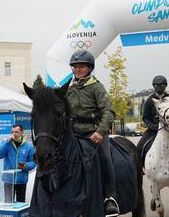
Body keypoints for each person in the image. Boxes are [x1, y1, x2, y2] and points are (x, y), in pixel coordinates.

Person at [65, 50, 119, 216]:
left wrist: (100, 132)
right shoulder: (68, 87)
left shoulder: (96, 87)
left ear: (89, 68)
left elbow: (109, 111)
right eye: (75, 67)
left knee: (104, 158)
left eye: (82, 66)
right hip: (73, 134)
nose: (78, 69)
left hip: (94, 134)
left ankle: (110, 197)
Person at [0, 124, 36, 203]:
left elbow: (33, 162)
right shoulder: (6, 143)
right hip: (8, 180)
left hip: (21, 180)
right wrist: (7, 142)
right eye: (12, 132)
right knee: (8, 203)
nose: (14, 134)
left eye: (16, 132)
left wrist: (25, 166)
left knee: (20, 204)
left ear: (22, 132)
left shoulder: (28, 146)